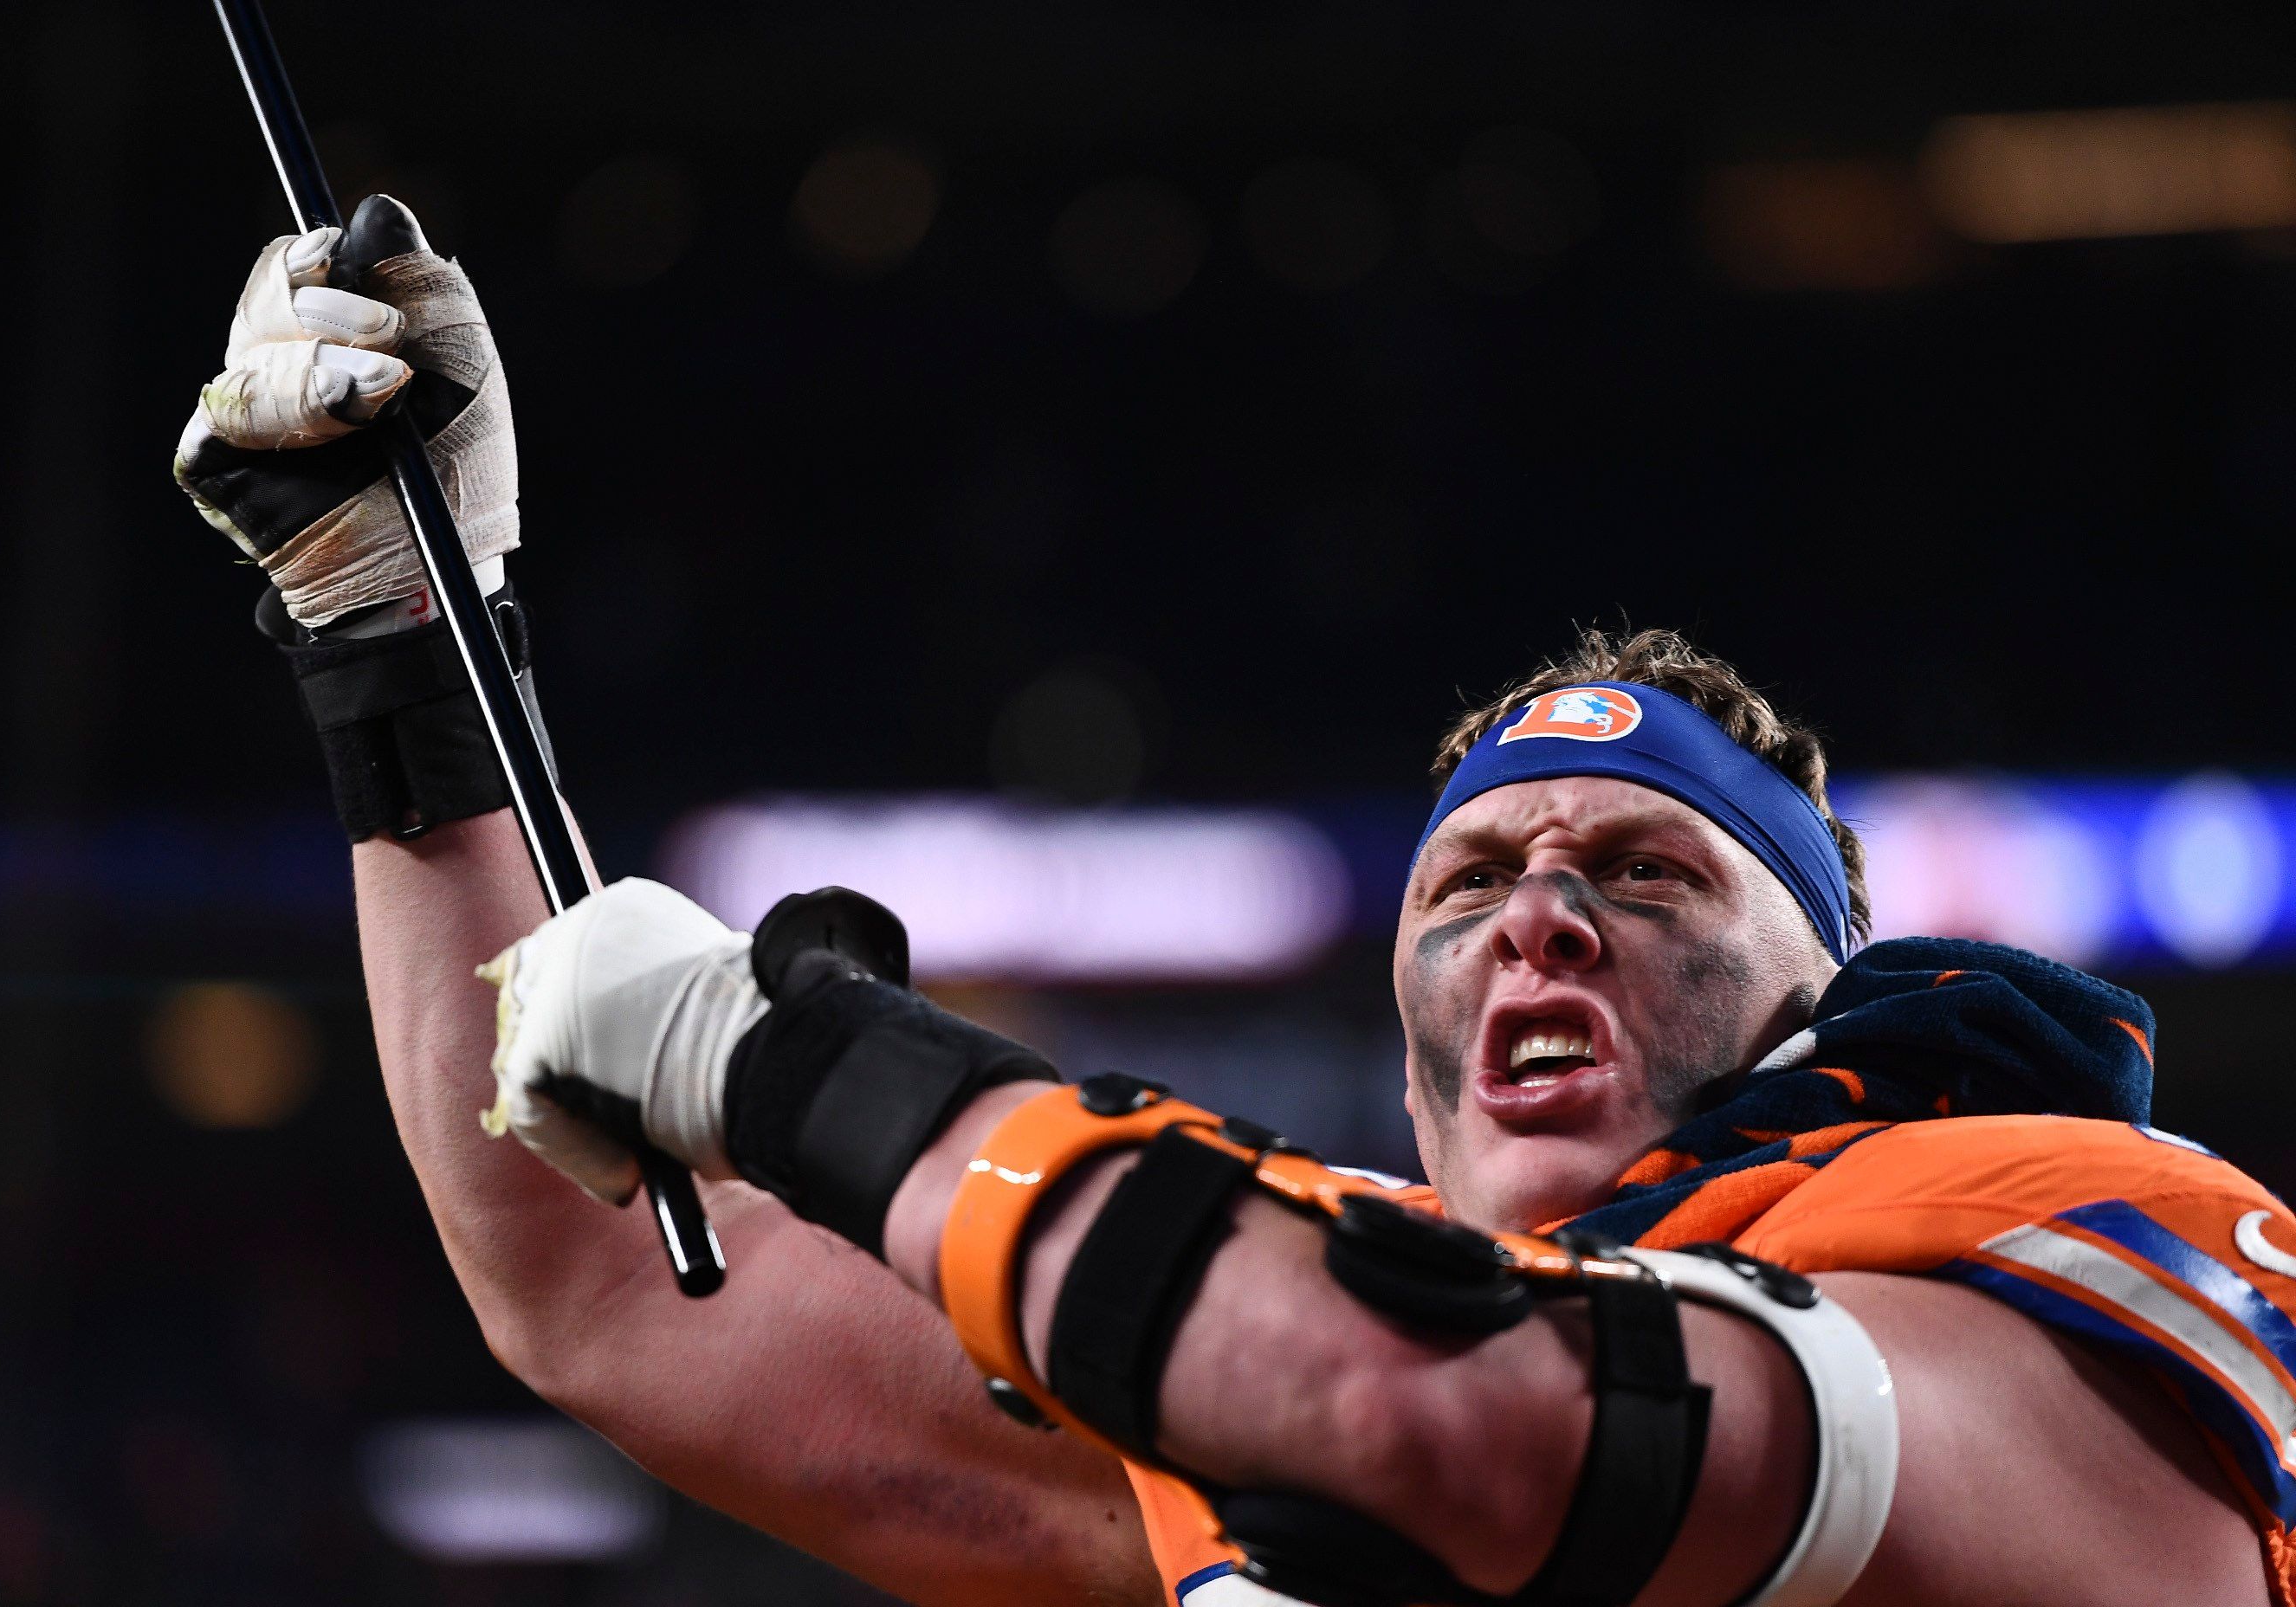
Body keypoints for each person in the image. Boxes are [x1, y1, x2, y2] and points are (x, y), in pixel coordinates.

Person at [177, 197, 2293, 1606]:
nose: (1539, 917)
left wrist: (782, 1052)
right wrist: (398, 652)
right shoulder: (1257, 1350)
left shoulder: (2080, 1236)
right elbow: (607, 1277)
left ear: (1826, 985)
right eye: (1470, 880)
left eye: (1648, 872)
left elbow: (1444, 1409)